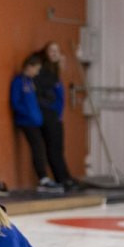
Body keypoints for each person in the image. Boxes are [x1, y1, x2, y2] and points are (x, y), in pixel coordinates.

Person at [11, 53, 68, 193]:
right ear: (29, 67)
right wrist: (28, 114)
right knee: (38, 147)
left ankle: (44, 177)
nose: (37, 73)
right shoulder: (18, 81)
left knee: (41, 148)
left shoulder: (31, 82)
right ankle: (43, 178)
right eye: (35, 69)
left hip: (36, 121)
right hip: (26, 121)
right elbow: (16, 102)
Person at [34, 41, 79, 190]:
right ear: (46, 52)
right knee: (53, 148)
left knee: (59, 148)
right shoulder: (44, 72)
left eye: (57, 51)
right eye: (51, 50)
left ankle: (65, 176)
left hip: (56, 115)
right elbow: (44, 93)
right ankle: (61, 178)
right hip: (48, 115)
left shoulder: (54, 72)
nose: (55, 54)